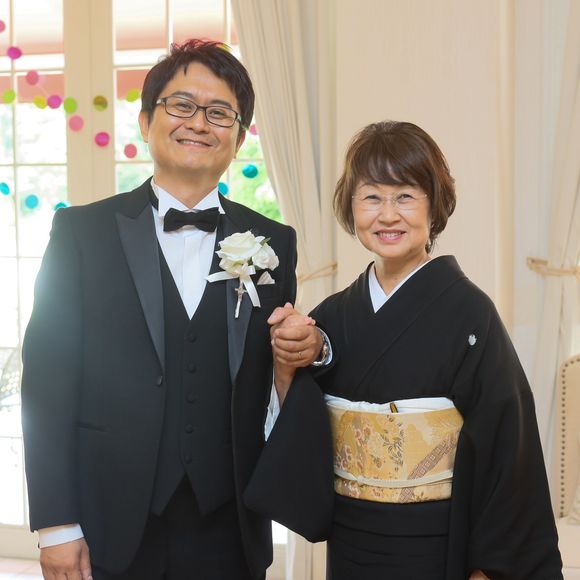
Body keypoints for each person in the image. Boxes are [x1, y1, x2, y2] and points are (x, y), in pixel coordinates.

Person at [21, 39, 326, 580]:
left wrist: (311, 350)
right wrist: (57, 525)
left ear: (239, 137)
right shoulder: (81, 233)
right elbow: (46, 384)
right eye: (182, 105)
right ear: (146, 121)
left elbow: (272, 380)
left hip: (230, 526)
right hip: (110, 522)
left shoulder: (274, 242)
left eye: (220, 113)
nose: (199, 123)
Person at [270, 120, 563, 579]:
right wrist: (287, 364)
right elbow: (301, 431)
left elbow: (508, 447)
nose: (388, 215)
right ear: (351, 207)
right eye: (371, 197)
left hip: (435, 543)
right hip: (351, 542)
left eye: (405, 196)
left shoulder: (470, 313)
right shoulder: (332, 316)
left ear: (434, 204)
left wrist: (489, 569)